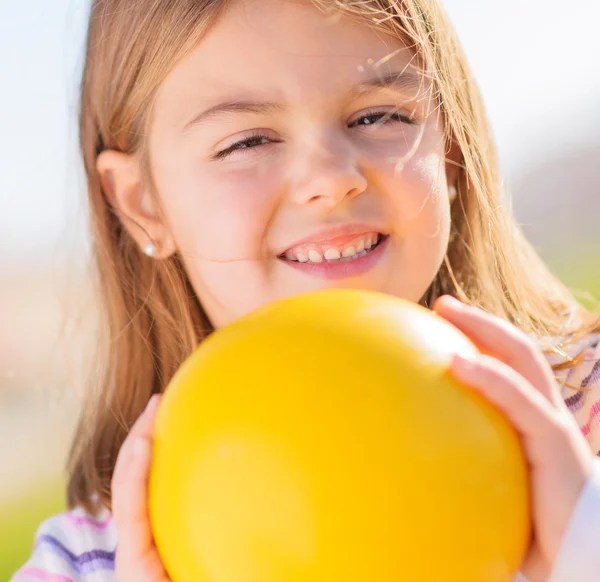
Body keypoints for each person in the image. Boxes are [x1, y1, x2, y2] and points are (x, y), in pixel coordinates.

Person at [12, 0, 600, 580]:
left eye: (378, 116)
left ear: (447, 148)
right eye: (247, 142)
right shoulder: (91, 563)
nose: (330, 180)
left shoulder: (582, 429)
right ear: (144, 203)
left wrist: (583, 545)